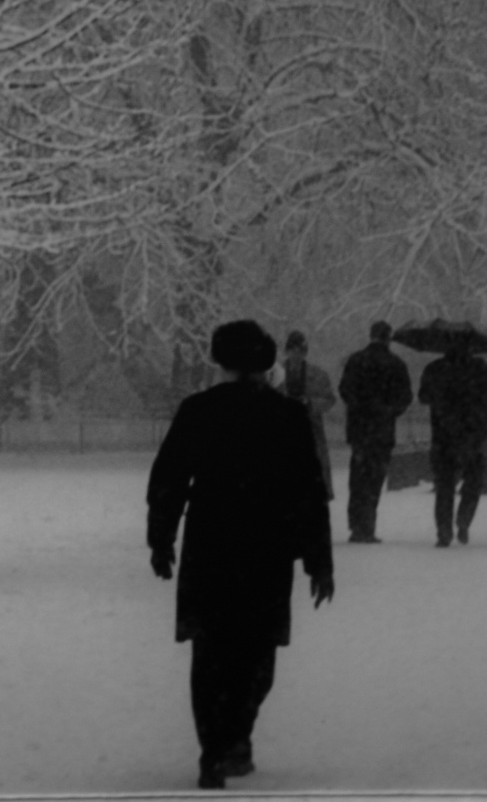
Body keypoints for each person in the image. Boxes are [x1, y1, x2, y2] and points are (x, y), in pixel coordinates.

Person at [146, 320, 335, 790]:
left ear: (220, 360)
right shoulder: (288, 417)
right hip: (266, 548)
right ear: (268, 361)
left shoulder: (198, 411)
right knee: (257, 653)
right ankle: (237, 736)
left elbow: (169, 479)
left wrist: (161, 538)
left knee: (209, 653)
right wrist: (318, 560)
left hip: (210, 545)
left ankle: (213, 747)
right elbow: (309, 493)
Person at [338, 321, 413, 543]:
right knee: (374, 479)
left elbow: (345, 390)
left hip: (360, 430)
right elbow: (406, 397)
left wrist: (358, 408)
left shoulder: (355, 361)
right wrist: (389, 411)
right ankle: (368, 526)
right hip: (382, 430)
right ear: (388, 338)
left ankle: (355, 524)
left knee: (358, 477)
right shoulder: (396, 364)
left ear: (370, 335)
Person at [418, 341, 487, 547]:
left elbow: (423, 397)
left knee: (444, 485)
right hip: (473, 435)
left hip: (443, 435)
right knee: (473, 481)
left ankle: (444, 530)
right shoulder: (480, 369)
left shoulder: (435, 368)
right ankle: (464, 520)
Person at [278, 331, 338, 501]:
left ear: (304, 352)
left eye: (299, 350)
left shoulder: (318, 375)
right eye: (292, 350)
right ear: (287, 351)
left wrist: (311, 404)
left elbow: (329, 399)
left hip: (311, 433)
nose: (296, 354)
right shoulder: (275, 376)